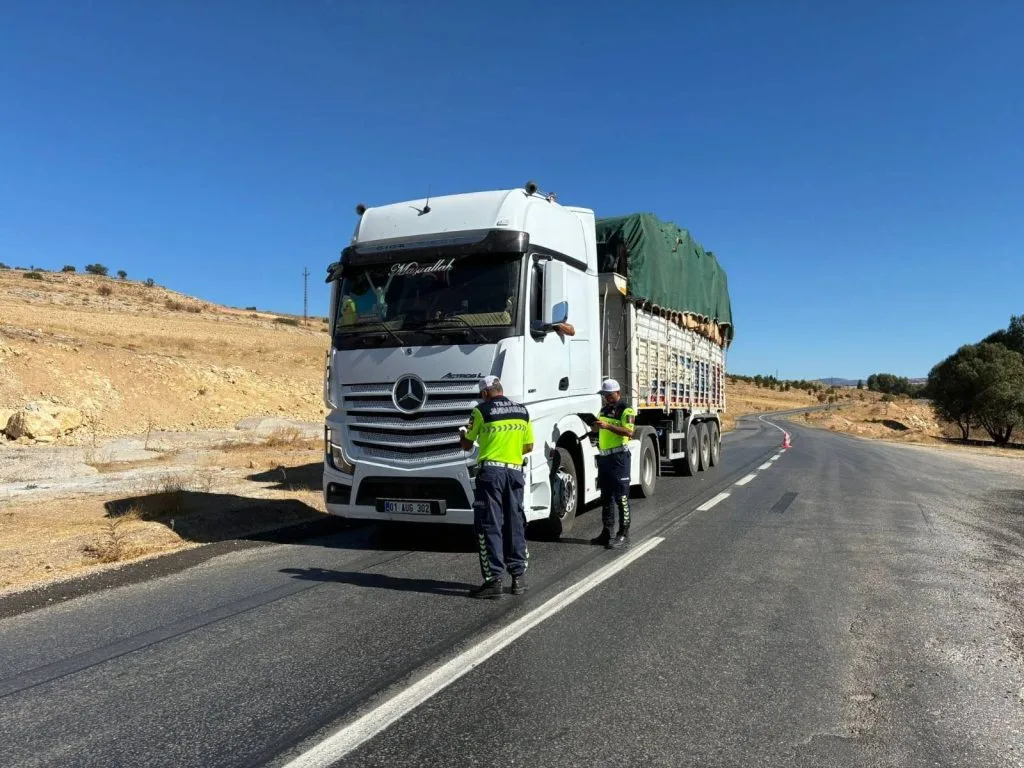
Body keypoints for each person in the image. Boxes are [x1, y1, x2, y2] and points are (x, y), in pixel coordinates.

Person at [459, 375, 533, 599]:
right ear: (500, 389)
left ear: (484, 393)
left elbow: (467, 444)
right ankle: (518, 578)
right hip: (514, 471)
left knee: (488, 524)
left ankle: (493, 581)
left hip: (491, 473)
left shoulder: (481, 411)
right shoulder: (522, 411)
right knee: (515, 522)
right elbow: (528, 445)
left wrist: (462, 433)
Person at [591, 378, 636, 549]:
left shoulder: (626, 410)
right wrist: (595, 426)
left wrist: (608, 426)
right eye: (604, 395)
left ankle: (623, 533)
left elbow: (629, 432)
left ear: (617, 393)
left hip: (619, 458)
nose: (606, 398)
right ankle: (606, 532)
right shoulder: (603, 410)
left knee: (621, 497)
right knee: (606, 496)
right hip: (604, 458)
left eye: (608, 395)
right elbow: (597, 429)